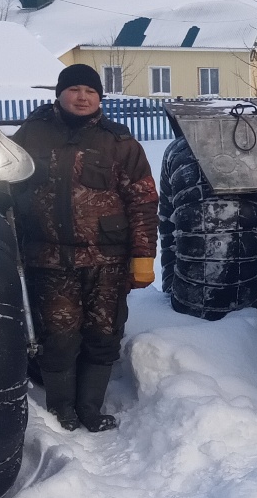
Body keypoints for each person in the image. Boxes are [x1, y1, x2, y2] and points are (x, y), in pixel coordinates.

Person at [13, 64, 158, 430]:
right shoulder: (30, 136)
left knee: (103, 336)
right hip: (48, 258)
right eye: (74, 89)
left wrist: (143, 256)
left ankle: (91, 409)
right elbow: (5, 194)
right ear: (59, 94)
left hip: (107, 260)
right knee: (57, 339)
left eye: (90, 91)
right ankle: (62, 410)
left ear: (100, 98)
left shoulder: (119, 141)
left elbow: (142, 202)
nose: (82, 97)